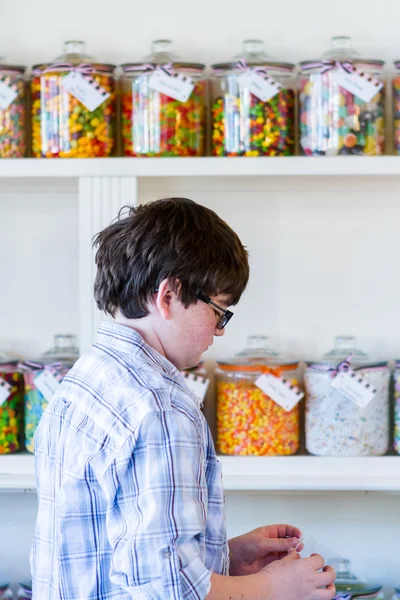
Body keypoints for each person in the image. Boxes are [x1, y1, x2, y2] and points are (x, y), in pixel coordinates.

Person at [31, 197, 336, 600]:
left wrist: (229, 558)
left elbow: (127, 559)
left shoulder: (87, 377)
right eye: (219, 310)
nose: (221, 330)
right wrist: (276, 588)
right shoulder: (162, 409)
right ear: (169, 296)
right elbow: (167, 592)